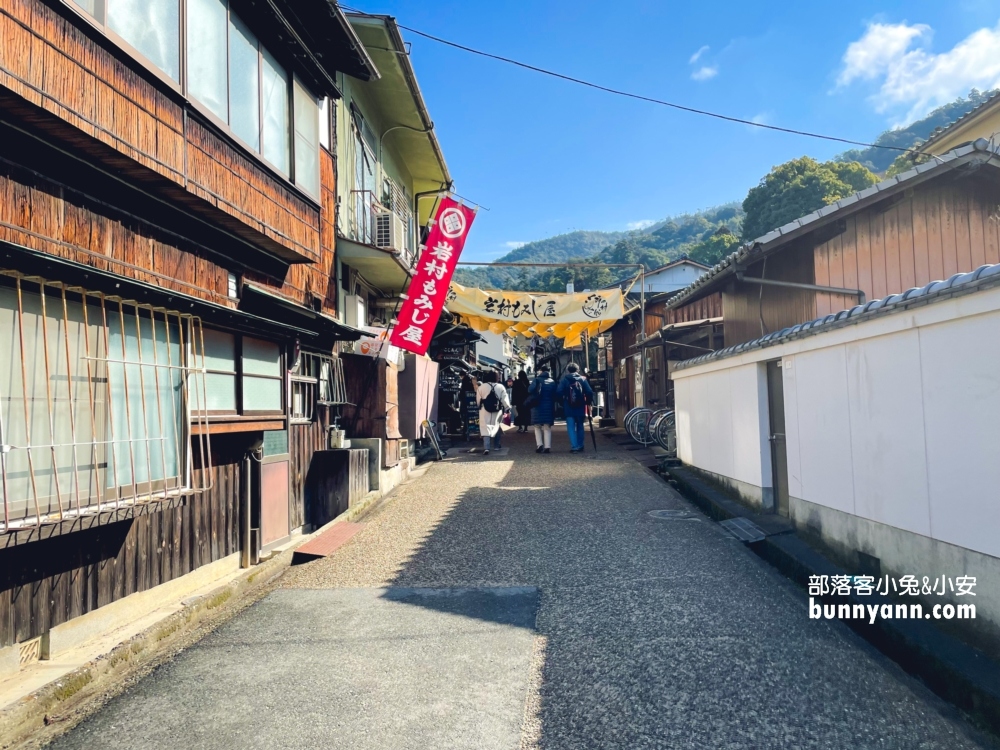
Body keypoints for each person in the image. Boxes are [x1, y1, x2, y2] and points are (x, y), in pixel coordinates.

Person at [557, 362, 595, 453]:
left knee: (570, 427)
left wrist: (562, 402)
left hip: (568, 406)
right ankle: (580, 445)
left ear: (568, 371)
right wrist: (587, 402)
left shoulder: (565, 380)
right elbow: (589, 392)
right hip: (580, 405)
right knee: (580, 426)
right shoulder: (582, 379)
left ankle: (574, 447)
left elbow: (558, 392)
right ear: (577, 370)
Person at [476, 370, 510, 455]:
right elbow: (504, 399)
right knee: (496, 426)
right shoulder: (500, 386)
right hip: (497, 409)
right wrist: (507, 408)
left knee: (485, 427)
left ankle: (486, 448)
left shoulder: (481, 387)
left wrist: (479, 406)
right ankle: (496, 446)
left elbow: (478, 401)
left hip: (484, 409)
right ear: (496, 377)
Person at [529, 366, 557, 454]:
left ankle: (539, 445)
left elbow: (530, 390)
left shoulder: (536, 380)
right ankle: (547, 447)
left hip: (537, 406)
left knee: (537, 426)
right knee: (547, 427)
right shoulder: (552, 382)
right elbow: (555, 394)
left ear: (541, 371)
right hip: (548, 406)